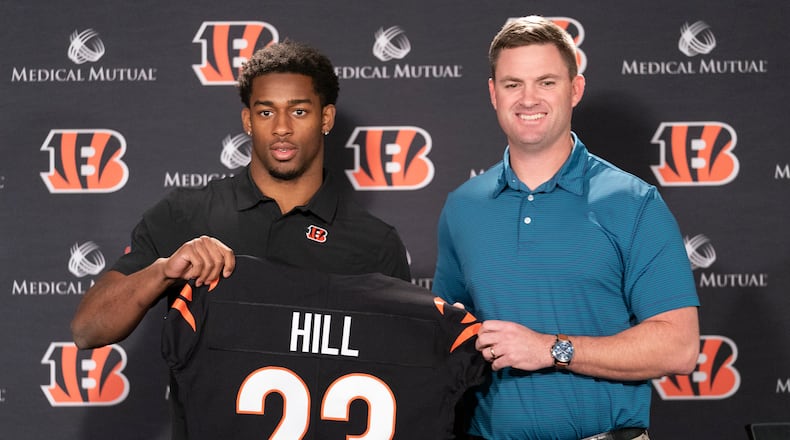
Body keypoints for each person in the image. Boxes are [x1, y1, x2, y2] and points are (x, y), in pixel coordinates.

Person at [71, 40, 411, 438]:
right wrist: (163, 271)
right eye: (266, 112)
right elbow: (87, 329)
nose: (282, 127)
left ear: (326, 117)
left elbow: (399, 382)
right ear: (248, 120)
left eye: (299, 111)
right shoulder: (187, 214)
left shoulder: (374, 244)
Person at [432, 16, 700, 440]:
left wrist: (550, 349)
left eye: (546, 82)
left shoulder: (632, 202)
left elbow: (680, 347)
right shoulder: (463, 206)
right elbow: (444, 336)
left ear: (575, 89)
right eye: (512, 84)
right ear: (492, 93)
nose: (528, 98)